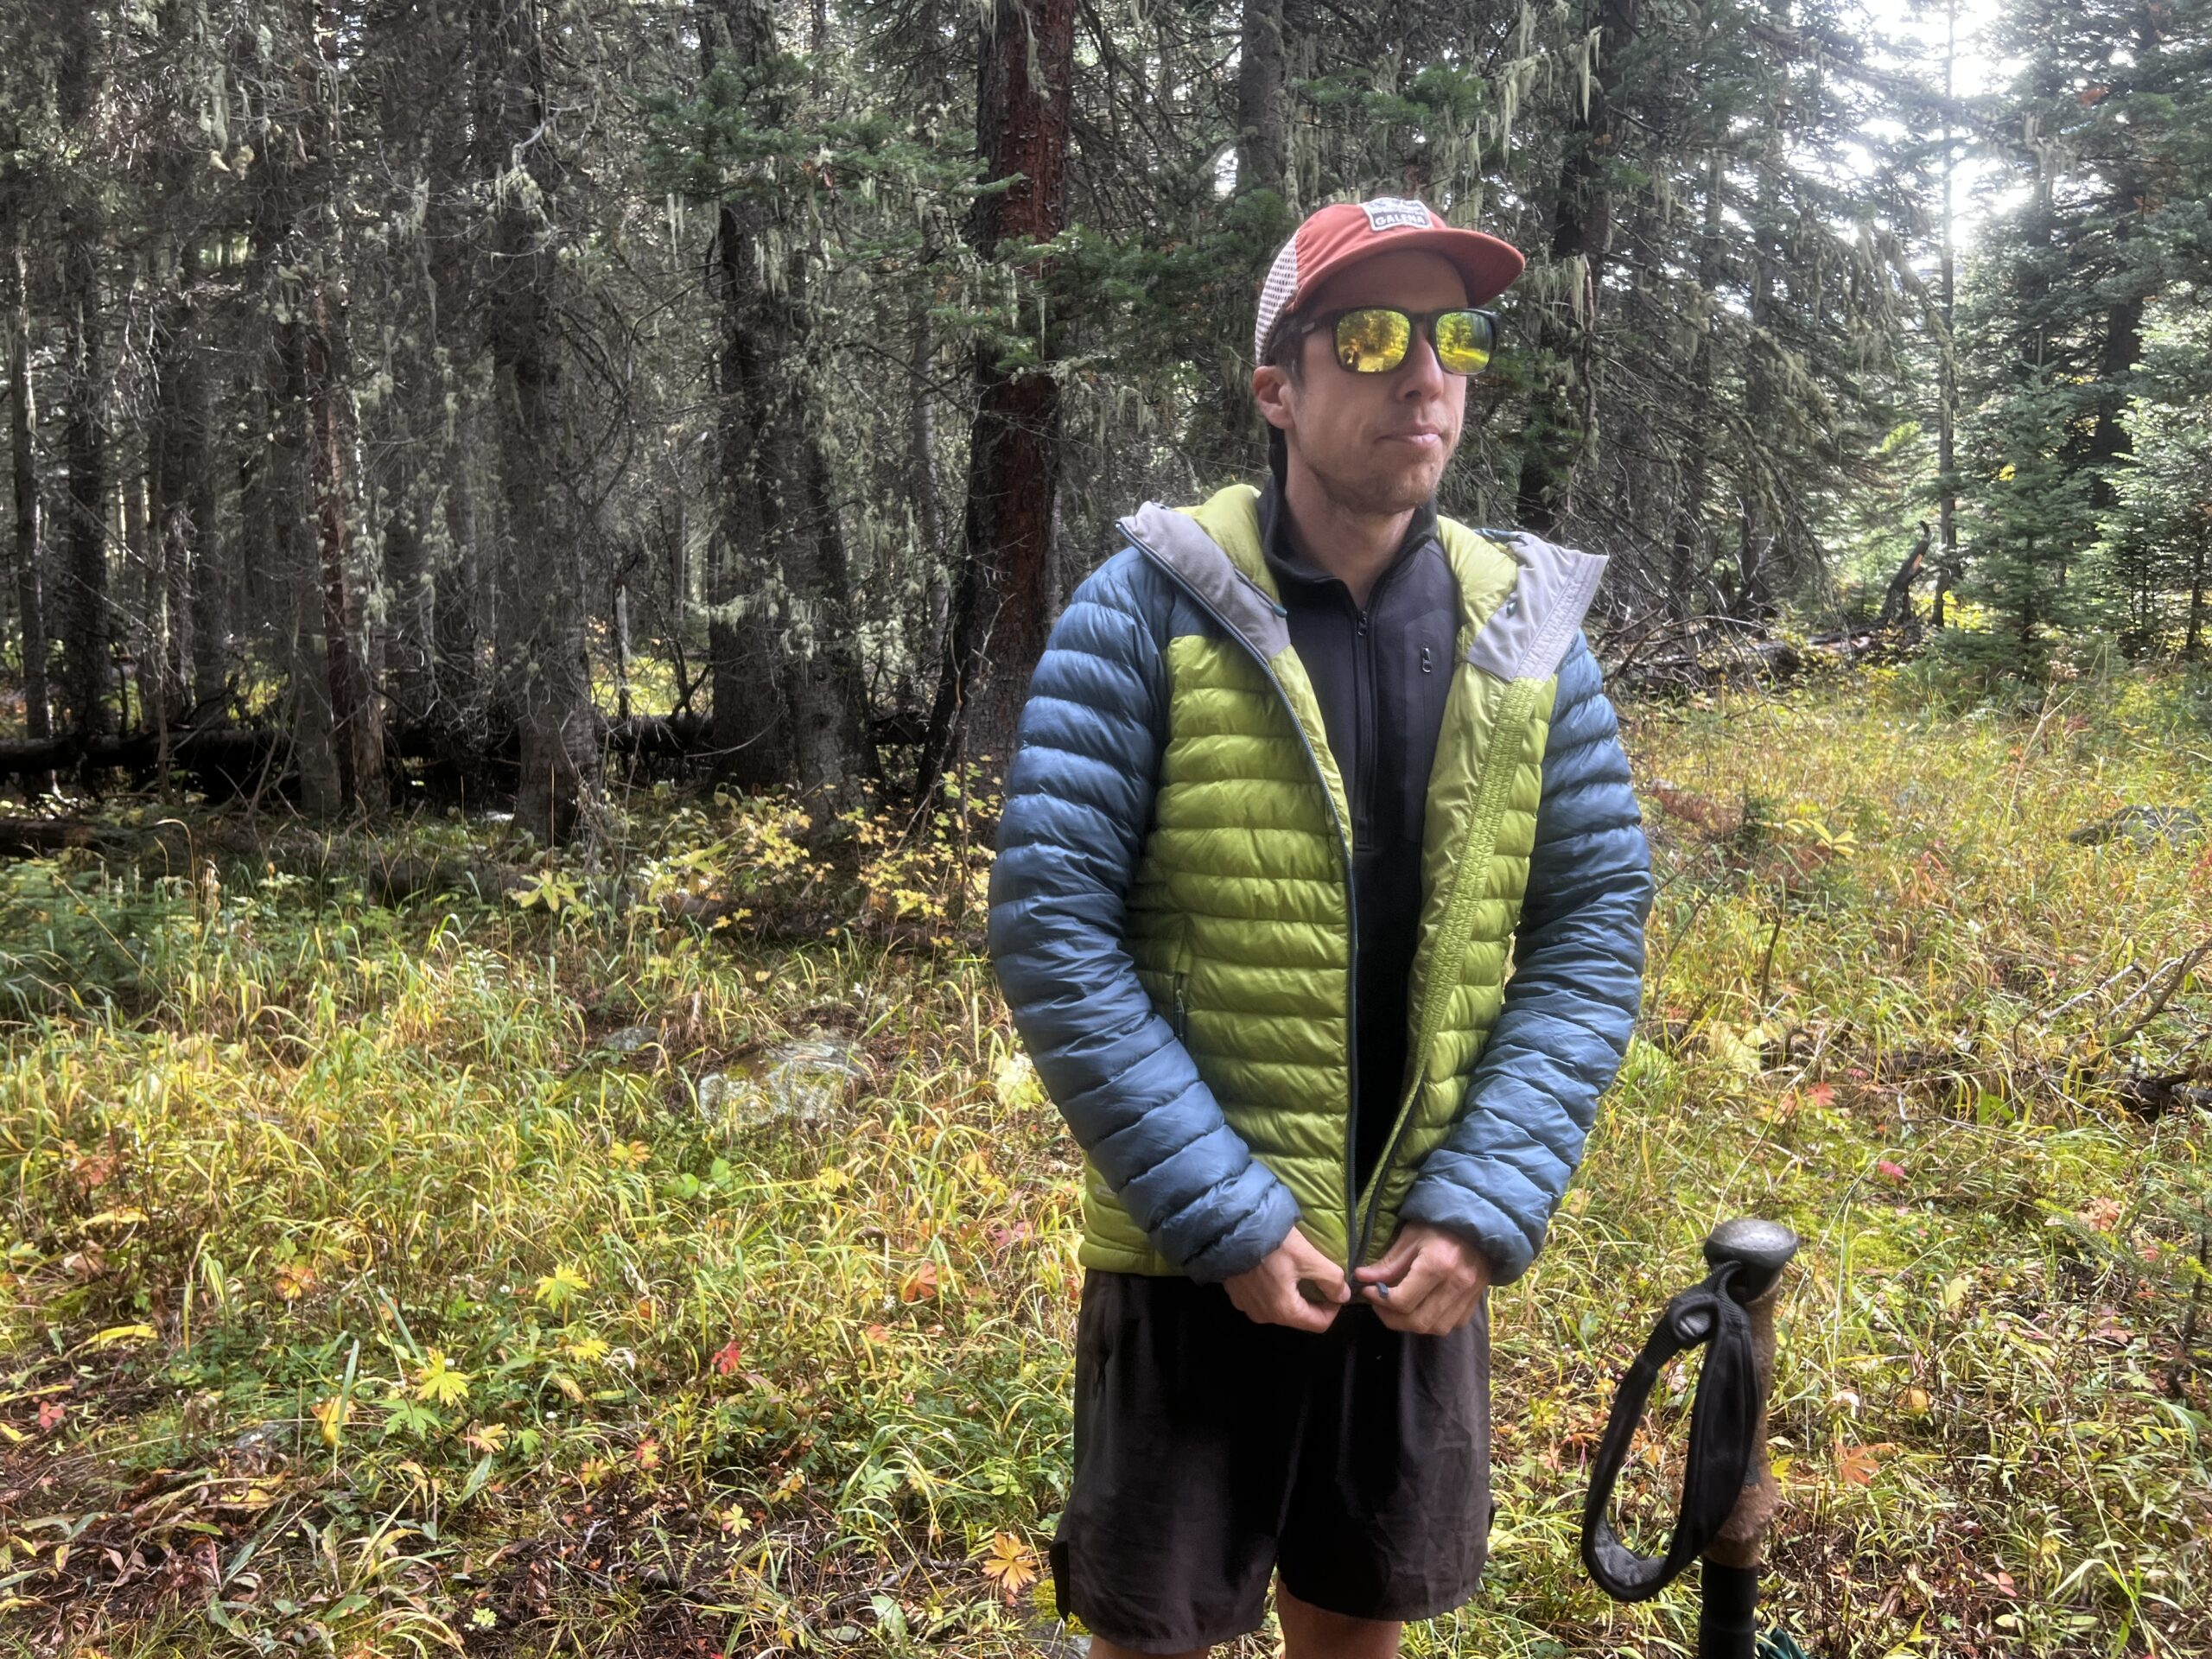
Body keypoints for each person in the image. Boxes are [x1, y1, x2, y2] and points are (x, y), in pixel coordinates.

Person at [986, 195, 1653, 1658]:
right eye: (1372, 335)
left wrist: (1485, 1200)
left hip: (1415, 1255)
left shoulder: (1525, 632)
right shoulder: (1144, 615)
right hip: (1193, 1252)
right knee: (1151, 1633)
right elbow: (1052, 930)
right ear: (1278, 387)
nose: (1426, 373)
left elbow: (1593, 922)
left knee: (1358, 1623)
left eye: (1455, 336)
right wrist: (1223, 1212)